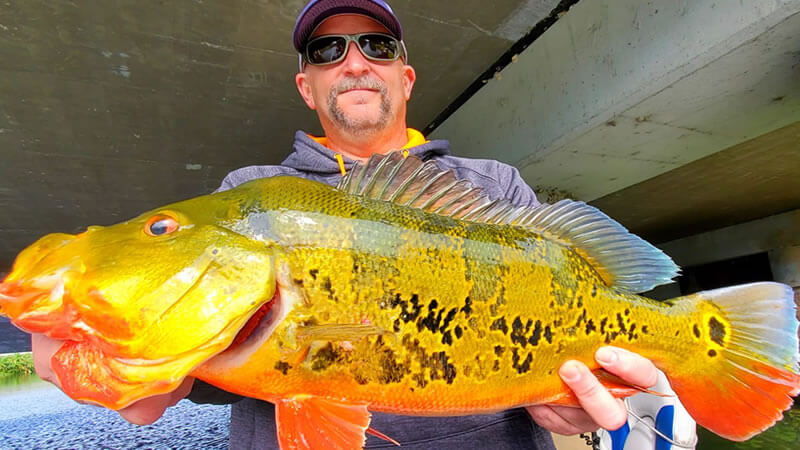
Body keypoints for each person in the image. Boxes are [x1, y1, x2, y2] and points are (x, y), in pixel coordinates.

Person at [32, 1, 679, 448]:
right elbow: (178, 384)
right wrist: (114, 353)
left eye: (377, 45)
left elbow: (565, 406)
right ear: (307, 86)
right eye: (326, 49)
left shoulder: (495, 187)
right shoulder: (248, 198)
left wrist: (570, 409)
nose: (353, 60)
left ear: (405, 74)